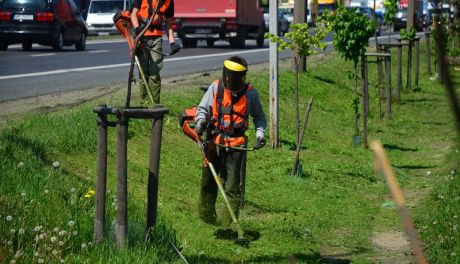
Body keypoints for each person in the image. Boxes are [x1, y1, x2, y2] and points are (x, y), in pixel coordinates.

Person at [195, 56, 267, 226]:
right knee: (208, 183)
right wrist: (200, 122)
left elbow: (259, 117)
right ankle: (206, 218)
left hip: (236, 147)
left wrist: (260, 134)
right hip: (214, 143)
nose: (230, 79)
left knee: (232, 188)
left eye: (234, 76)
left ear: (242, 76)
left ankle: (228, 223)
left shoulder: (250, 94)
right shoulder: (216, 88)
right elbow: (203, 109)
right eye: (228, 74)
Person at [131, 0, 180, 105]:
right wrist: (137, 28)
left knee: (155, 74)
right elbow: (133, 14)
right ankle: (144, 104)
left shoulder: (168, 2)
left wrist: (172, 43)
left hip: (156, 39)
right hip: (142, 39)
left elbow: (168, 24)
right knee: (143, 74)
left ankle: (155, 105)